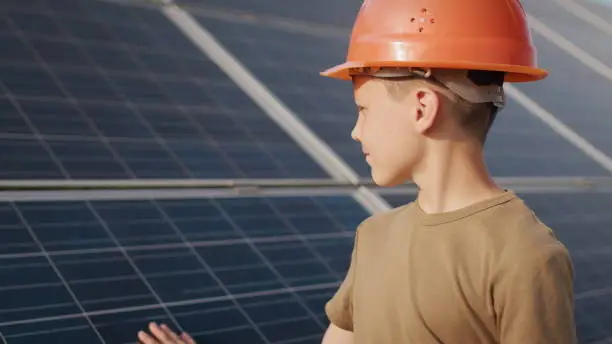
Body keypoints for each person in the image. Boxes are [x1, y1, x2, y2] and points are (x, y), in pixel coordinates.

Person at [136, 0, 577, 343]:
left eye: (363, 110)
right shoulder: (375, 237)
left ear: (423, 108)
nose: (354, 131)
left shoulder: (527, 258)